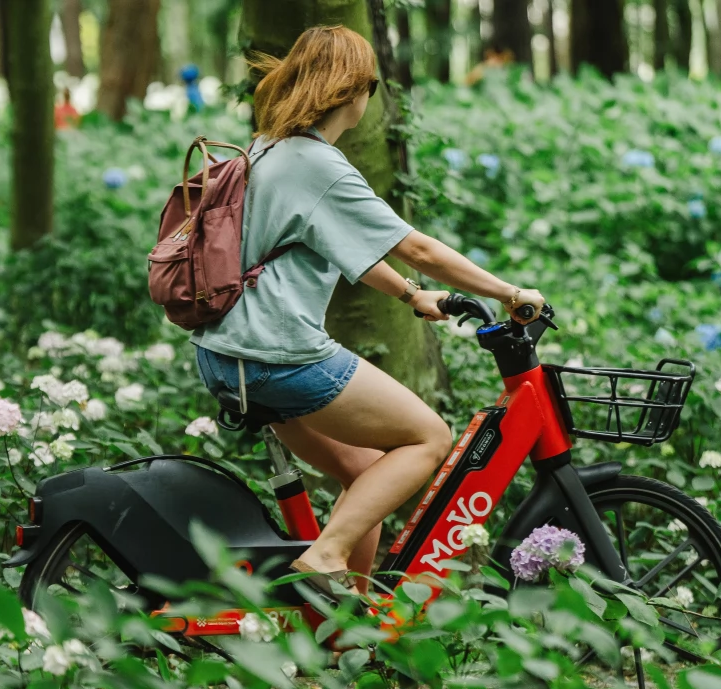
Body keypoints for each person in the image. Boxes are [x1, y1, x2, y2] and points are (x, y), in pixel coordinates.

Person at [191, 25, 544, 601]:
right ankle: (324, 558)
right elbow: (419, 248)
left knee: (365, 475)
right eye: (372, 85)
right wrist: (509, 293)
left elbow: (344, 246)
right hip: (275, 355)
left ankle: (345, 634)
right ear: (353, 91)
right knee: (428, 438)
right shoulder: (317, 164)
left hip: (226, 353)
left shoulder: (267, 149)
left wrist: (411, 296)